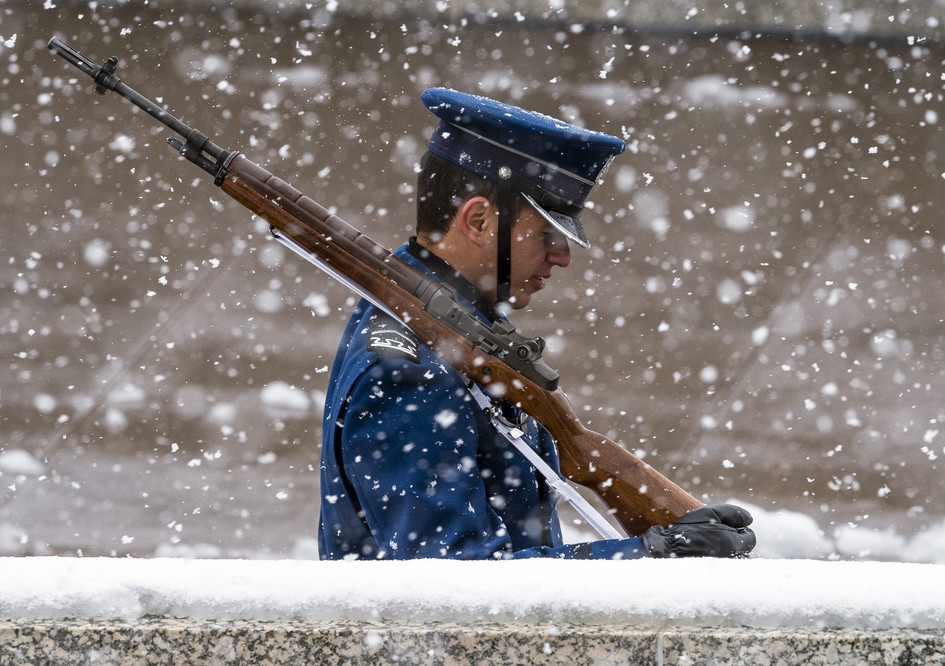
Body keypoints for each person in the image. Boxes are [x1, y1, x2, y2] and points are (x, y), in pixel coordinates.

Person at [318, 88, 756, 560]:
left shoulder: (457, 322)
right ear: (480, 220)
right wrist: (648, 556)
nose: (563, 256)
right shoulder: (408, 372)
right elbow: (457, 591)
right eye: (548, 233)